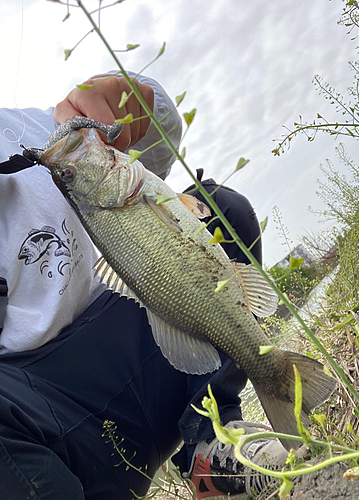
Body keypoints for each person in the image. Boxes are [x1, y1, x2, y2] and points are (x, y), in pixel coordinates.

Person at [0, 71, 287, 500]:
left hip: (162, 355)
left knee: (224, 210)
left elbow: (163, 138)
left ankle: (211, 444)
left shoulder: (41, 132)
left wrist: (135, 99)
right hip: (60, 434)